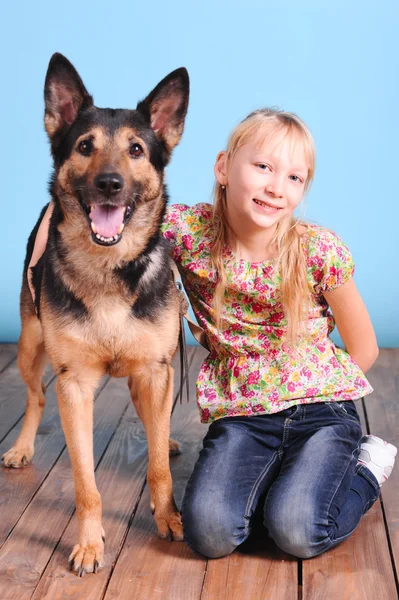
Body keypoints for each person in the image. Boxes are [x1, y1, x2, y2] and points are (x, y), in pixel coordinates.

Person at [27, 108, 396, 560]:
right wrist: (36, 265)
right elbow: (85, 201)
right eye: (263, 167)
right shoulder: (187, 231)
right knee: (211, 533)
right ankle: (283, 480)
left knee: (297, 531)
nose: (277, 186)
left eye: (295, 178)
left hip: (317, 413)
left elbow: (365, 347)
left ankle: (363, 468)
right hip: (243, 415)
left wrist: (312, 392)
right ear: (223, 168)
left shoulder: (318, 250)